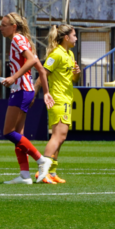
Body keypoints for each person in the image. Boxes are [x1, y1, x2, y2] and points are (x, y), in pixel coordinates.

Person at [0, 12, 54, 184]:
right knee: (18, 135)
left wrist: (14, 77)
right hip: (24, 90)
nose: (1, 28)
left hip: (21, 89)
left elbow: (30, 61)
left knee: (8, 132)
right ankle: (24, 175)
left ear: (13, 26)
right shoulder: (23, 40)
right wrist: (45, 92)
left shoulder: (17, 40)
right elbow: (42, 70)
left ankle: (41, 160)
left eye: (4, 25)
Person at [41, 24, 79, 183]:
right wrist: (45, 92)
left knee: (61, 138)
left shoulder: (69, 54)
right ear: (66, 37)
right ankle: (43, 171)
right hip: (58, 99)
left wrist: (76, 74)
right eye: (74, 35)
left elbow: (72, 79)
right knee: (57, 136)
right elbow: (43, 71)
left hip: (66, 99)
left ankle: (52, 172)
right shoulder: (56, 54)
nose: (76, 38)